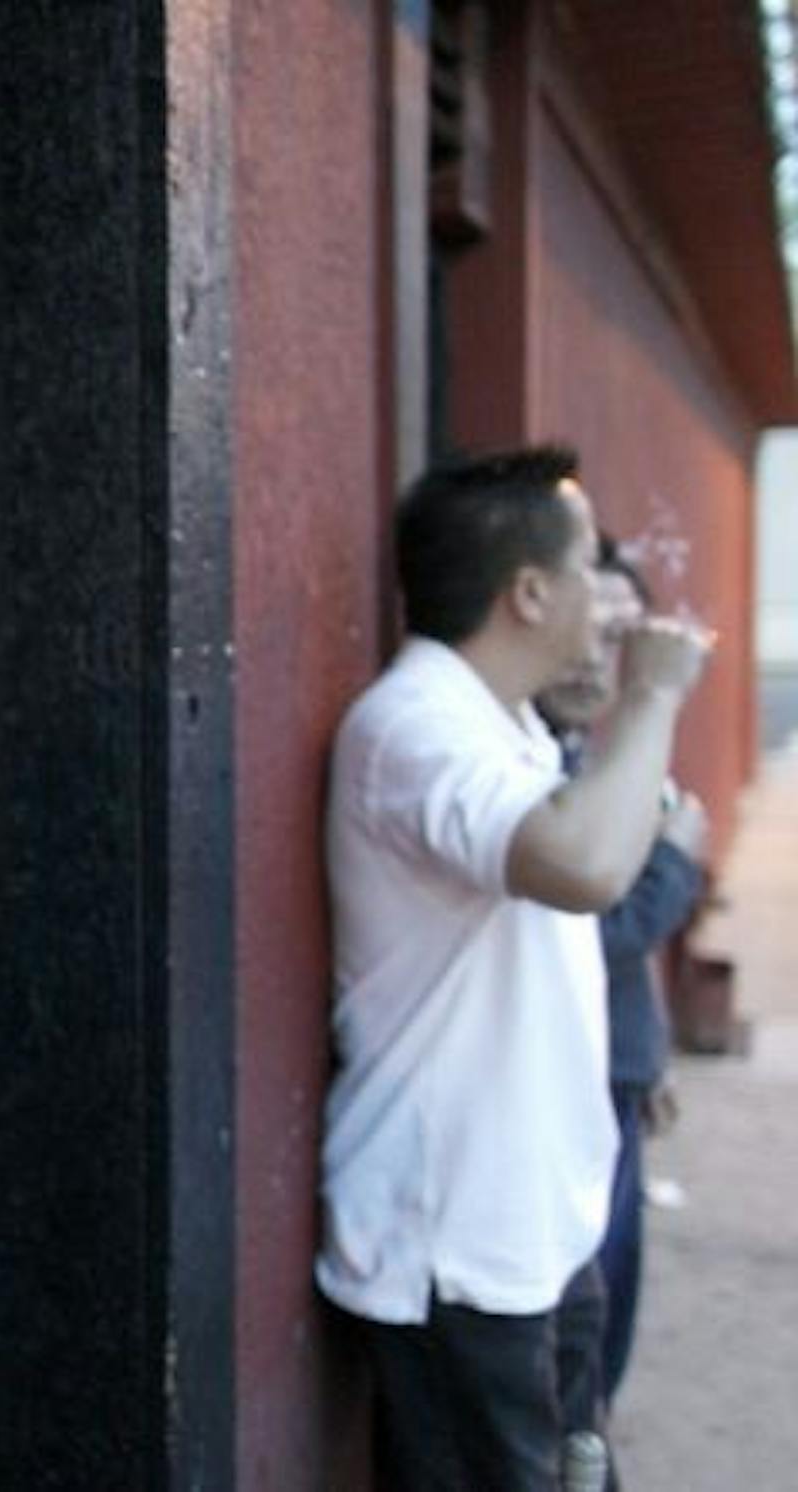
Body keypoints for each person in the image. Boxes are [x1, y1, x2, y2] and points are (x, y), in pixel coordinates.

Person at [318, 447, 711, 1490]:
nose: (611, 600)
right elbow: (582, 865)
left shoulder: (507, 725)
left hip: (539, 1220)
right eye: (590, 567)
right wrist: (657, 698)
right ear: (529, 591)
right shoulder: (415, 727)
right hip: (456, 1243)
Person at [534, 543, 709, 1406]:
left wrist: (654, 1059)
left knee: (610, 1327)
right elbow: (594, 928)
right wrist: (674, 863)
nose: (597, 654)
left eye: (619, 634)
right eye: (590, 626)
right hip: (564, 1091)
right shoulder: (531, 765)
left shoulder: (613, 761)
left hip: (620, 1076)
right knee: (581, 1340)